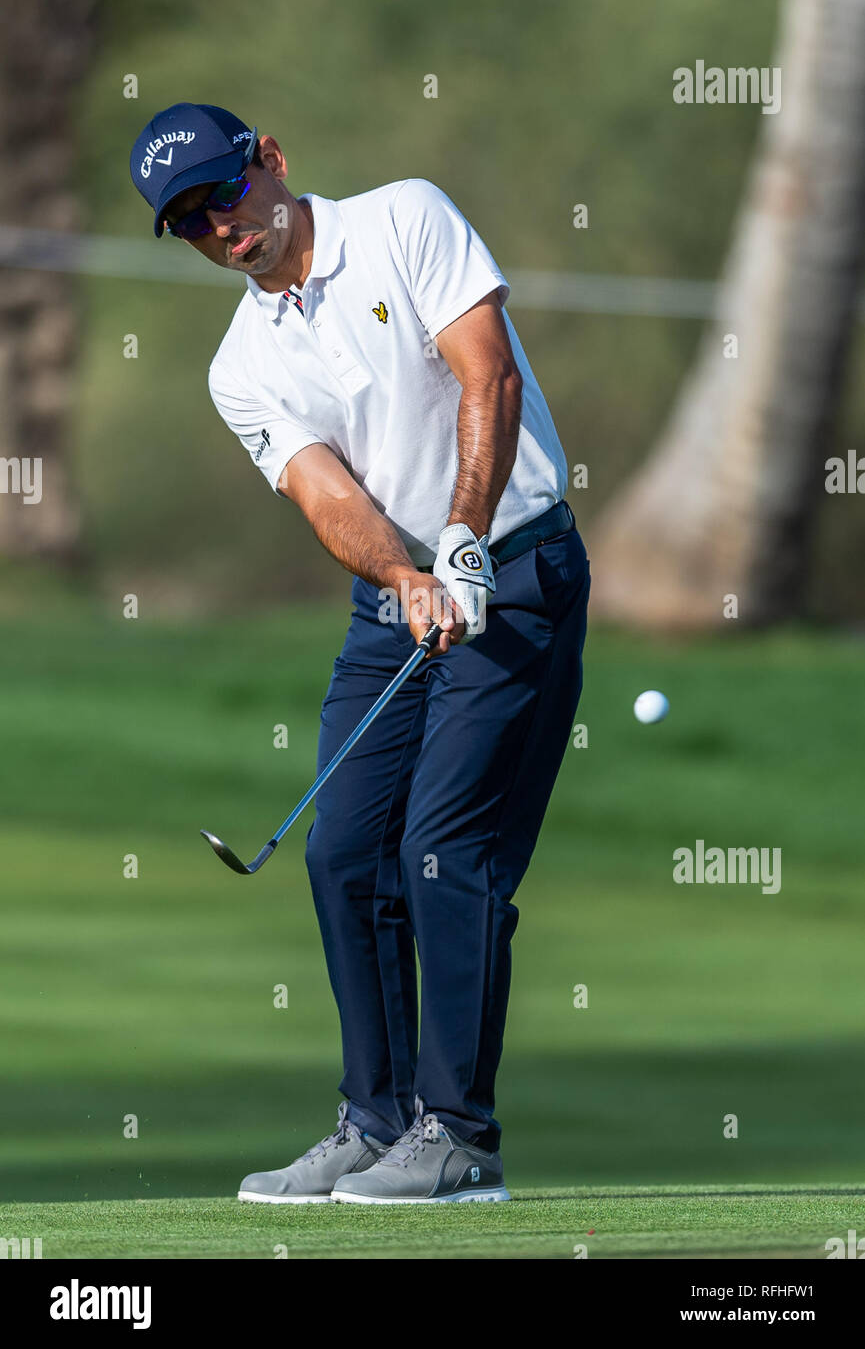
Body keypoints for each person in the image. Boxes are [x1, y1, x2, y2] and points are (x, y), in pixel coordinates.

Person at [130, 102, 590, 1205]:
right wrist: (410, 576)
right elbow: (323, 491)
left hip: (519, 572)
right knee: (344, 855)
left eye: (226, 193)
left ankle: (458, 1136)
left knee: (444, 849)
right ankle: (374, 1120)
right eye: (191, 222)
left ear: (271, 160)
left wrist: (467, 539)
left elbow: (487, 377)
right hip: (398, 602)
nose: (223, 229)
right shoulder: (241, 364)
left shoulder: (404, 220)